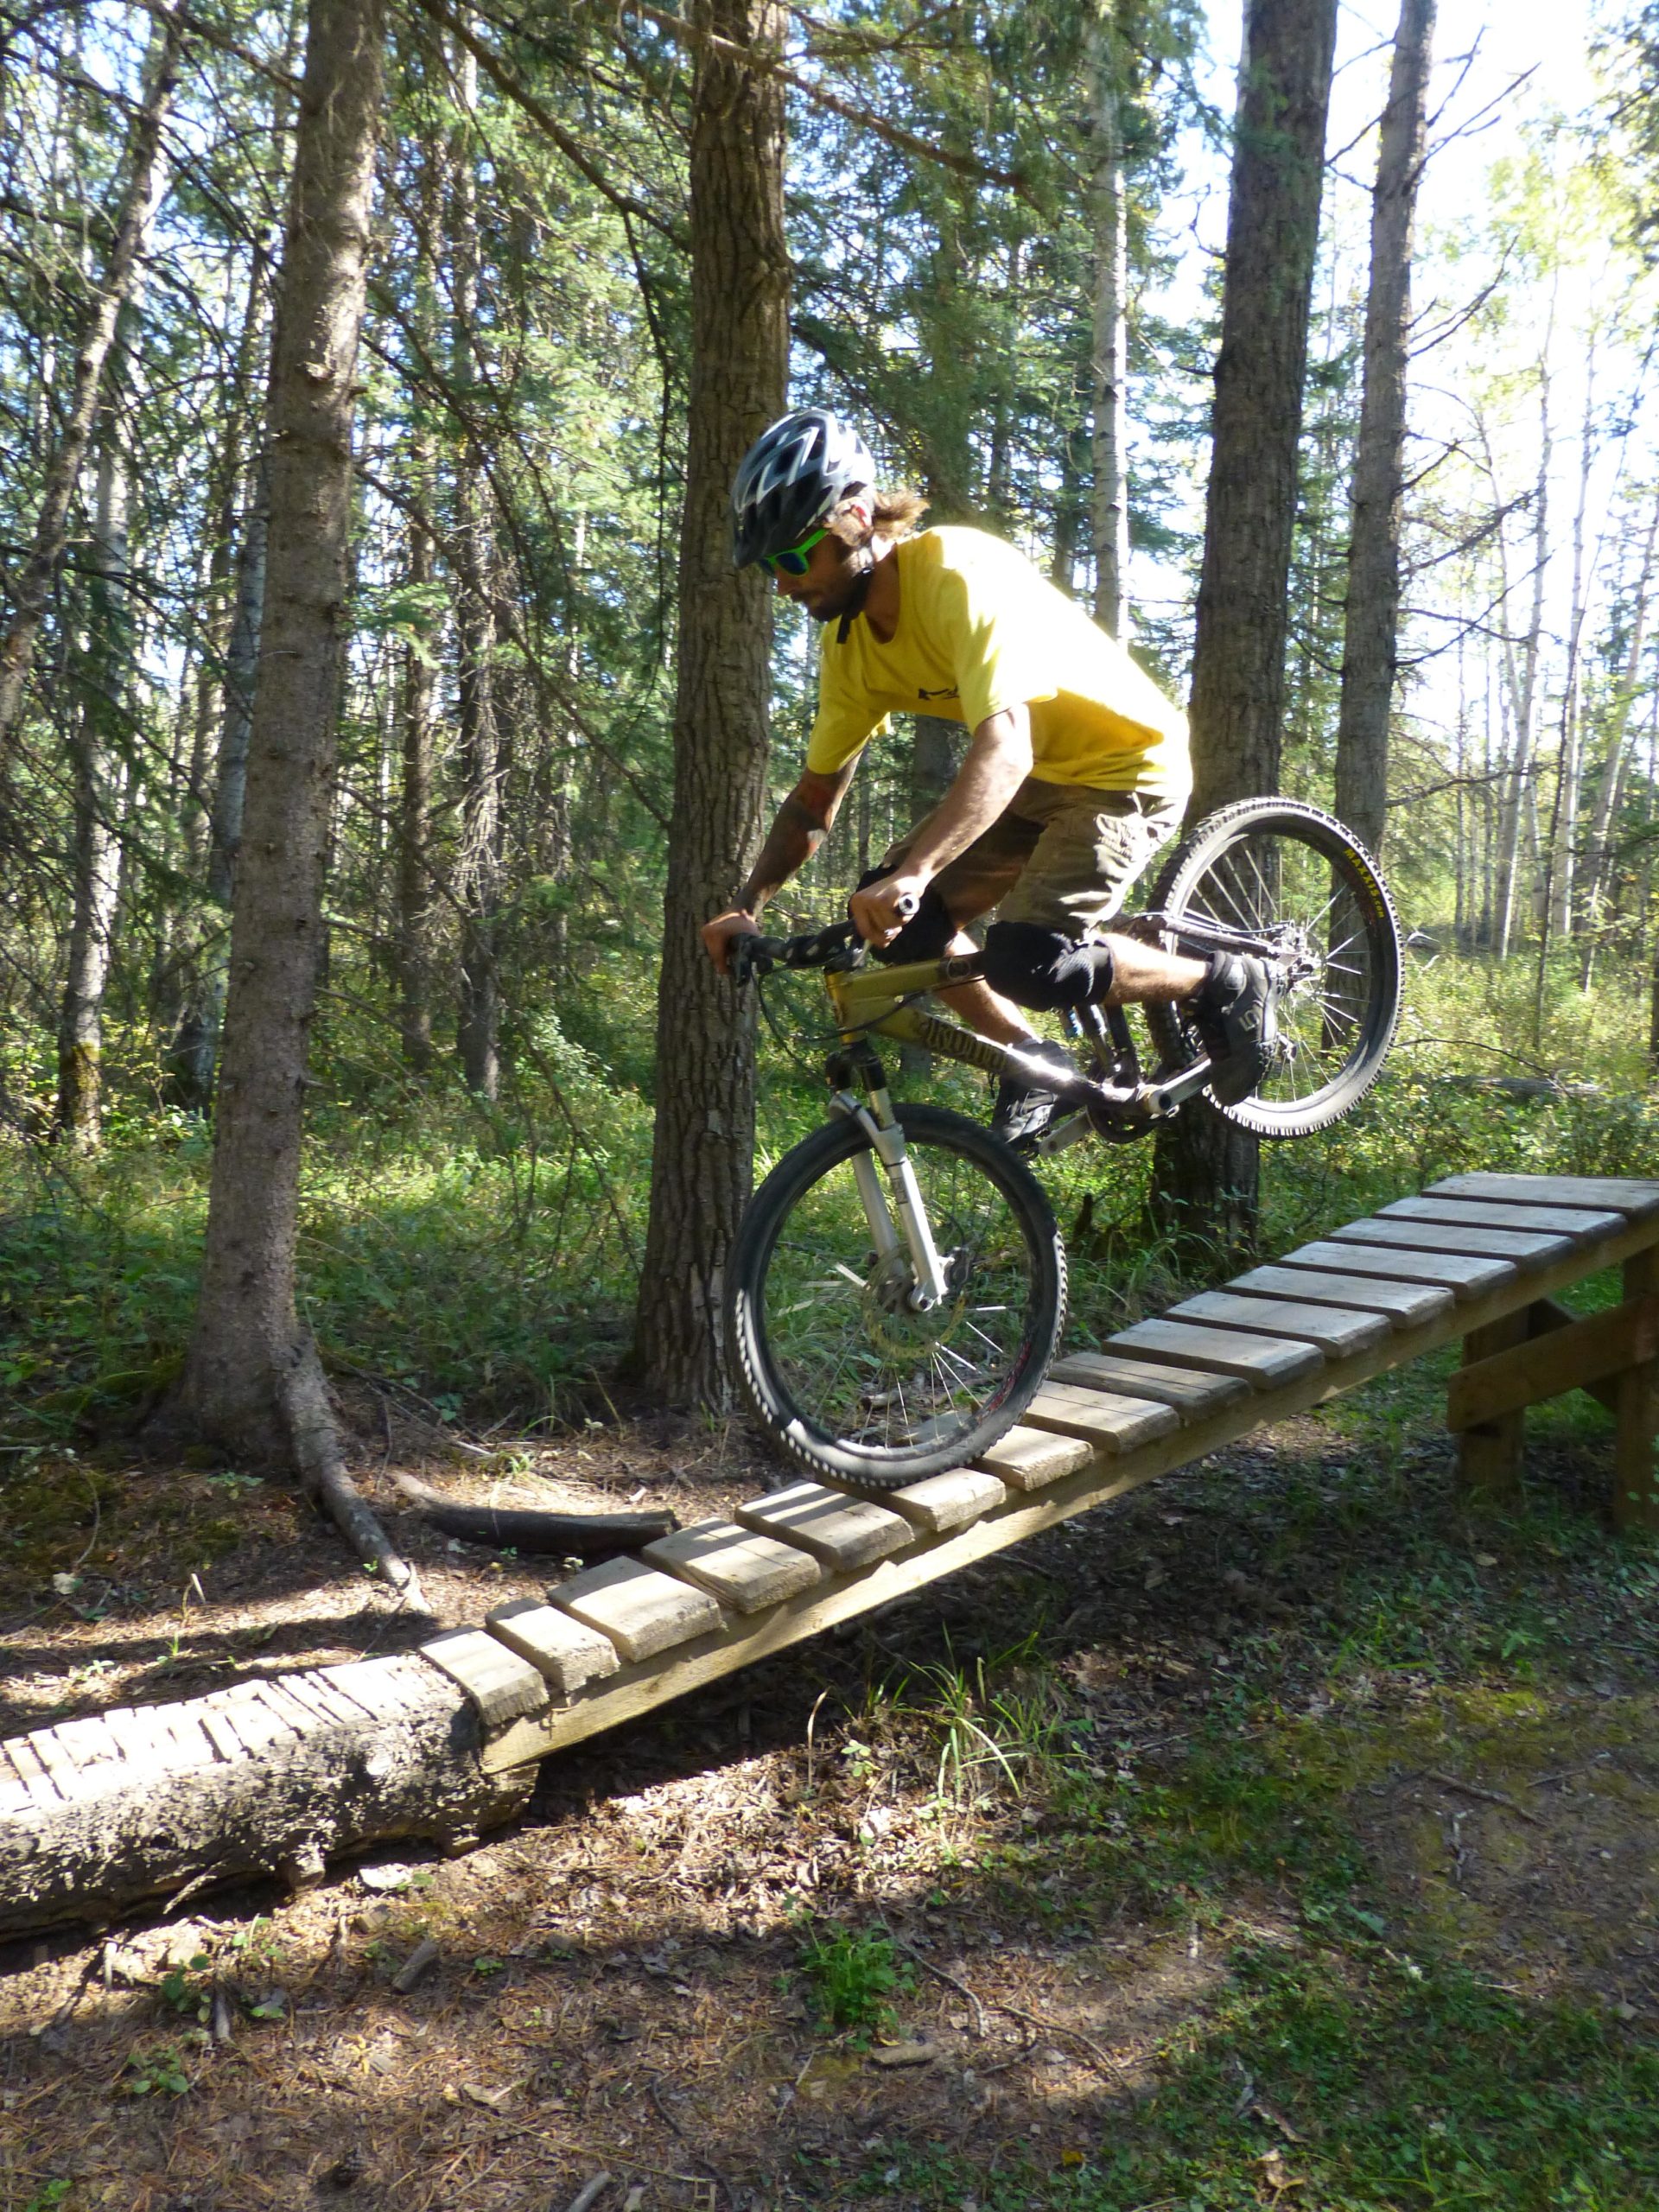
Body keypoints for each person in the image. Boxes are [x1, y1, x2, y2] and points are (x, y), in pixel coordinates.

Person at [701, 406, 1278, 1141]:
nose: (783, 587)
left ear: (853, 517)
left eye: (791, 559)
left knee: (1031, 961)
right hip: (1032, 780)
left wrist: (916, 870)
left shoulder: (956, 573)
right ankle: (1032, 1059)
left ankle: (1223, 981)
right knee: (905, 932)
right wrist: (748, 903)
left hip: (1125, 764)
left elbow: (1004, 745)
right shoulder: (850, 652)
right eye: (770, 568)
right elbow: (815, 801)